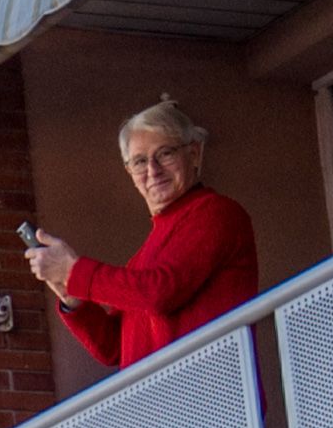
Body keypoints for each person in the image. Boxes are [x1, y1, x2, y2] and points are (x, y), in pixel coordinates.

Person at [24, 98, 261, 372]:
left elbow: (160, 293)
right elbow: (113, 348)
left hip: (210, 399)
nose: (152, 170)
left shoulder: (216, 213)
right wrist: (73, 299)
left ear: (194, 154)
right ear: (129, 172)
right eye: (139, 161)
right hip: (157, 407)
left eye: (165, 154)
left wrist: (76, 271)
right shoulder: (142, 259)